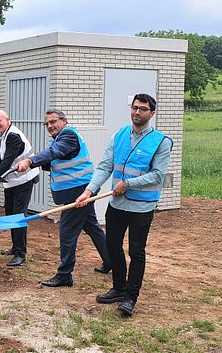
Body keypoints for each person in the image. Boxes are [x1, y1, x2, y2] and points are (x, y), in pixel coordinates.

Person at [75, 94, 172, 317]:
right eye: (135, 108)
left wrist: (128, 183)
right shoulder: (119, 136)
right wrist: (88, 191)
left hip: (142, 207)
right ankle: (118, 288)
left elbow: (158, 175)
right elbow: (104, 167)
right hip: (117, 204)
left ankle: (130, 297)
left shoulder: (161, 141)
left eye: (143, 109)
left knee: (136, 251)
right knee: (112, 245)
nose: (137, 112)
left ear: (152, 113)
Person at [16, 108, 110, 288]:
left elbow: (55, 152)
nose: (49, 126)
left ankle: (65, 274)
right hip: (80, 189)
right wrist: (39, 161)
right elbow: (57, 159)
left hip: (79, 192)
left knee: (67, 233)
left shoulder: (68, 136)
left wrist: (30, 161)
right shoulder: (61, 139)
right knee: (92, 227)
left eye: (53, 122)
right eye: (47, 124)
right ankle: (110, 260)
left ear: (64, 121)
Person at [0, 110, 40, 267]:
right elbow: (4, 160)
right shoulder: (4, 134)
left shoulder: (13, 136)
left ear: (8, 120)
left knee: (18, 216)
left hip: (24, 181)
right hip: (11, 182)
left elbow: (7, 162)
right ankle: (15, 248)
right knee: (10, 214)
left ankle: (20, 254)